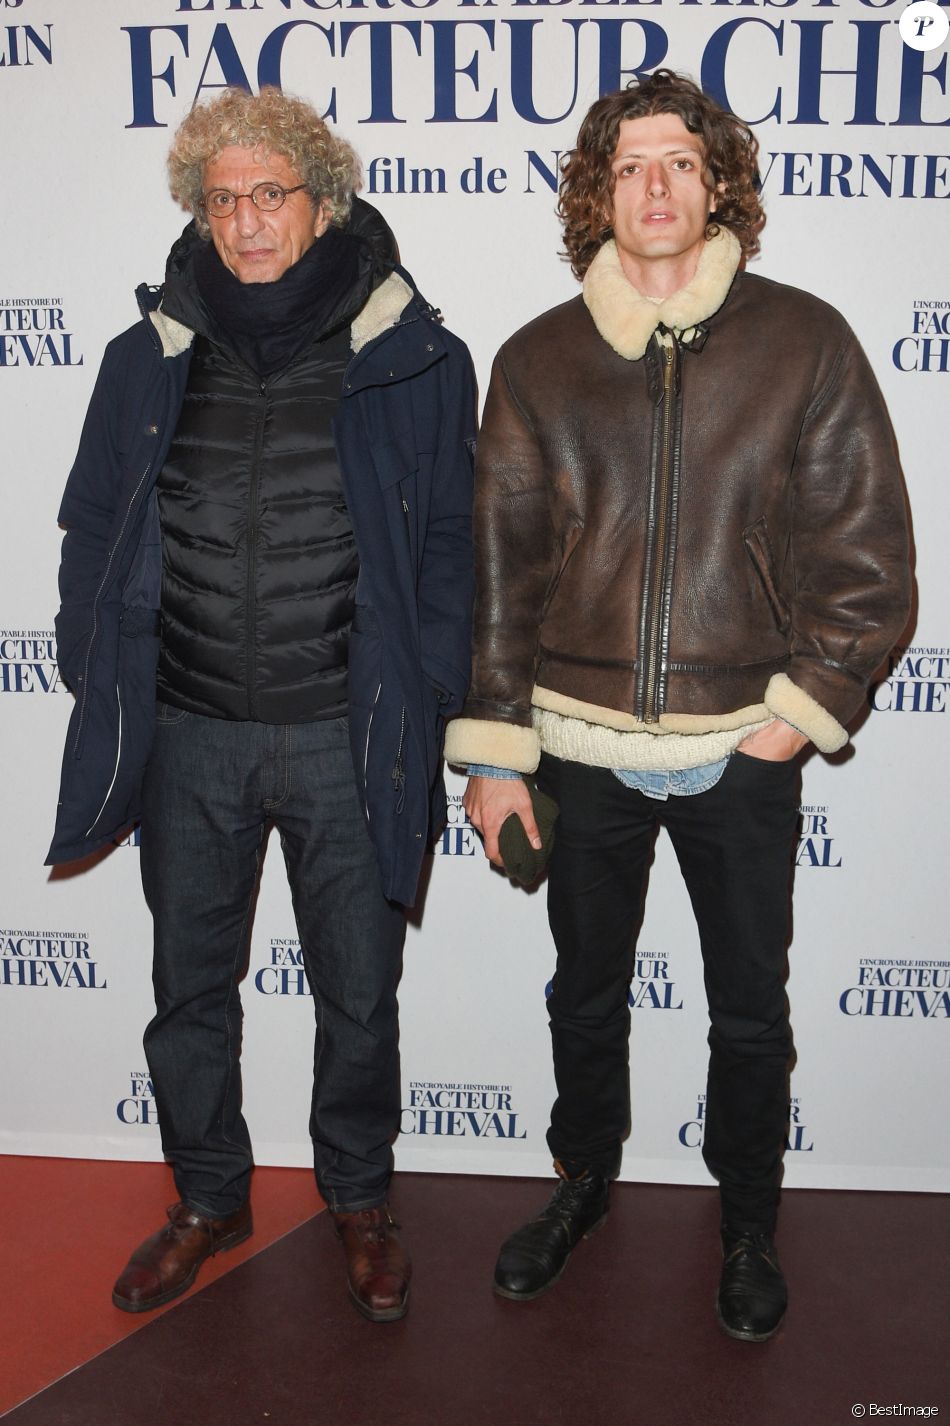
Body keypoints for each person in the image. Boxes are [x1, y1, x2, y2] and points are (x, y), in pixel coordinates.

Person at [445, 69, 910, 1341]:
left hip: (739, 749)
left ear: (719, 187)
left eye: (680, 163)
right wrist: (493, 758)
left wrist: (789, 718)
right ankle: (580, 1184)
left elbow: (868, 567)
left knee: (748, 1008)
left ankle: (749, 1219)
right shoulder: (535, 359)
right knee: (582, 995)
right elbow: (499, 577)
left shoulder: (803, 340)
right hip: (578, 748)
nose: (655, 186)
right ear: (599, 189)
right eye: (630, 164)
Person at [47, 86, 475, 1324]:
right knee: (189, 988)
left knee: (356, 990)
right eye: (221, 198)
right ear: (198, 211)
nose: (244, 221)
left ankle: (357, 1194)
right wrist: (96, 655)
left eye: (268, 194)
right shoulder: (145, 359)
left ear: (322, 201)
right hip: (188, 732)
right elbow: (89, 521)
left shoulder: (413, 355)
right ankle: (208, 1194)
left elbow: (449, 543)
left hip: (348, 736)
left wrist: (431, 690)